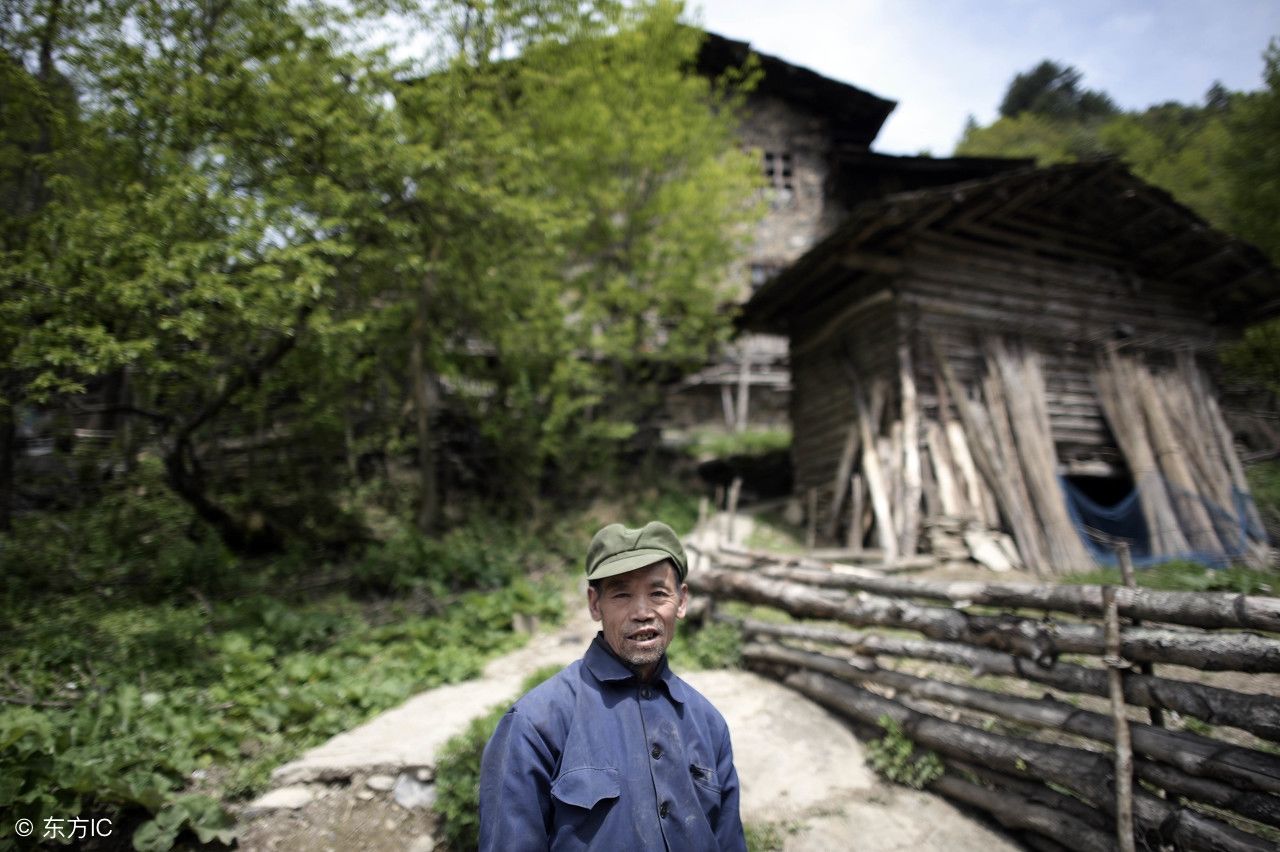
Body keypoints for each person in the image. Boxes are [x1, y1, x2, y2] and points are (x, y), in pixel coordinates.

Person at [478, 520, 747, 851]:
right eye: (622, 594)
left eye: (658, 593)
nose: (642, 612)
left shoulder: (708, 723)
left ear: (681, 601)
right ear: (595, 603)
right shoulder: (534, 724)